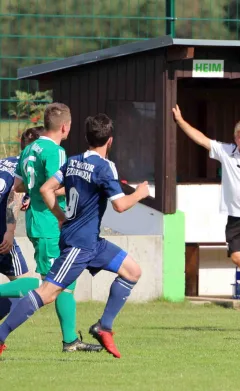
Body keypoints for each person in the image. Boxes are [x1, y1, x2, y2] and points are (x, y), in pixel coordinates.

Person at [0, 114, 149, 359]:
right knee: (46, 292)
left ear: (86, 137)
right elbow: (120, 206)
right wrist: (141, 193)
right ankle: (1, 335)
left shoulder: (74, 161)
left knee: (132, 271)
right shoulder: (104, 167)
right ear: (110, 141)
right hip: (79, 245)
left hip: (93, 242)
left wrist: (60, 214)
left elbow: (48, 188)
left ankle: (103, 326)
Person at [0, 105, 101, 353]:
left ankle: (70, 341)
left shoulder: (29, 149)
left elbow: (20, 184)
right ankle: (70, 342)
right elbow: (53, 187)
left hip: (38, 219)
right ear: (65, 127)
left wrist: (35, 193)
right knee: (49, 285)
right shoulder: (56, 151)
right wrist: (86, 184)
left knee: (65, 282)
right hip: (50, 221)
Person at [172, 105, 240, 311]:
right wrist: (180, 121)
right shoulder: (226, 152)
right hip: (235, 216)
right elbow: (201, 139)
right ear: (235, 138)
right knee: (237, 255)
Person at [0, 127, 44, 320]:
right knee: (27, 287)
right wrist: (10, 232)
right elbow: (15, 194)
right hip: (2, 236)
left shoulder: (4, 162)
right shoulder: (27, 168)